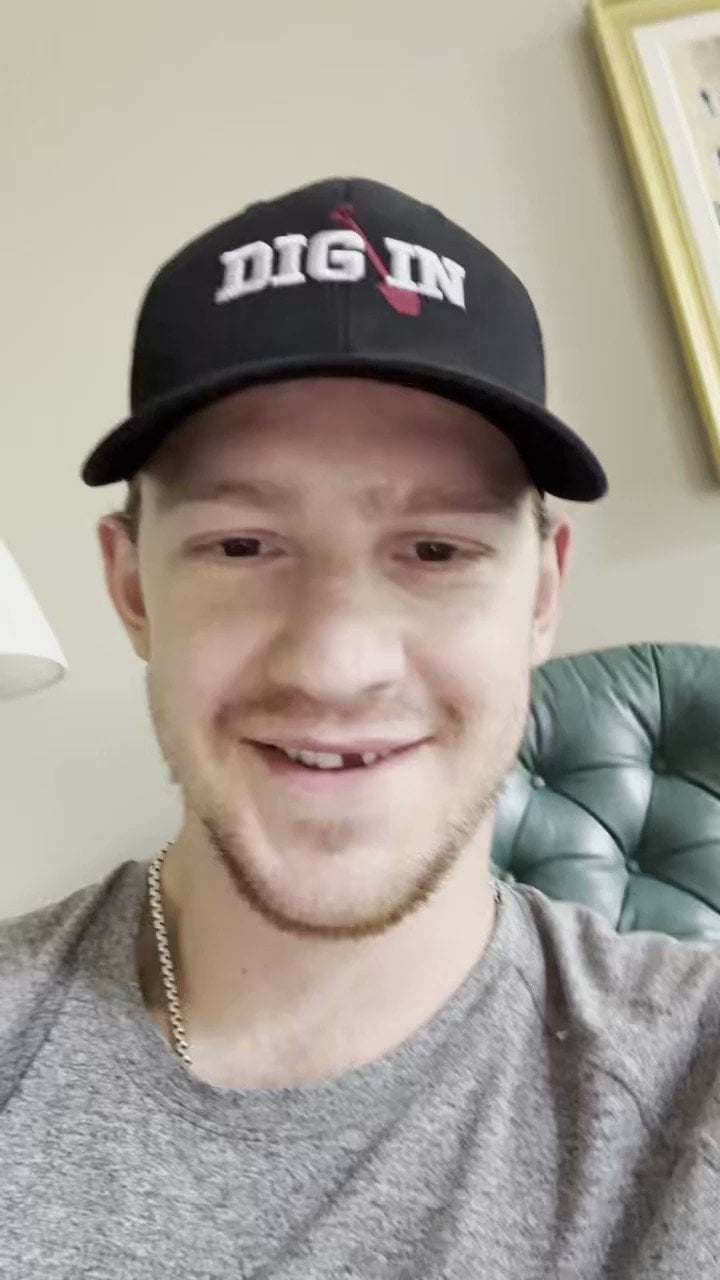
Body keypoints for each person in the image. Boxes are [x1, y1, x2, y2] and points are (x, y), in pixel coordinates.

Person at [1, 177, 718, 1279]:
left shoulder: (688, 1085)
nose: (336, 664)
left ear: (541, 596)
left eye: (436, 550)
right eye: (243, 546)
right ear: (133, 588)